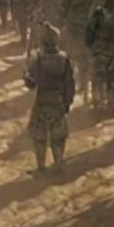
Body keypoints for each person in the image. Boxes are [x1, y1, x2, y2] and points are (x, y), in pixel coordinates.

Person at [23, 23, 75, 174]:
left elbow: (31, 84)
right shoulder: (64, 58)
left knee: (39, 136)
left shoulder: (37, 57)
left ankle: (41, 167)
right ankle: (58, 163)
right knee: (58, 135)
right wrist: (67, 102)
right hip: (58, 100)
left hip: (42, 100)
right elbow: (70, 83)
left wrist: (25, 76)